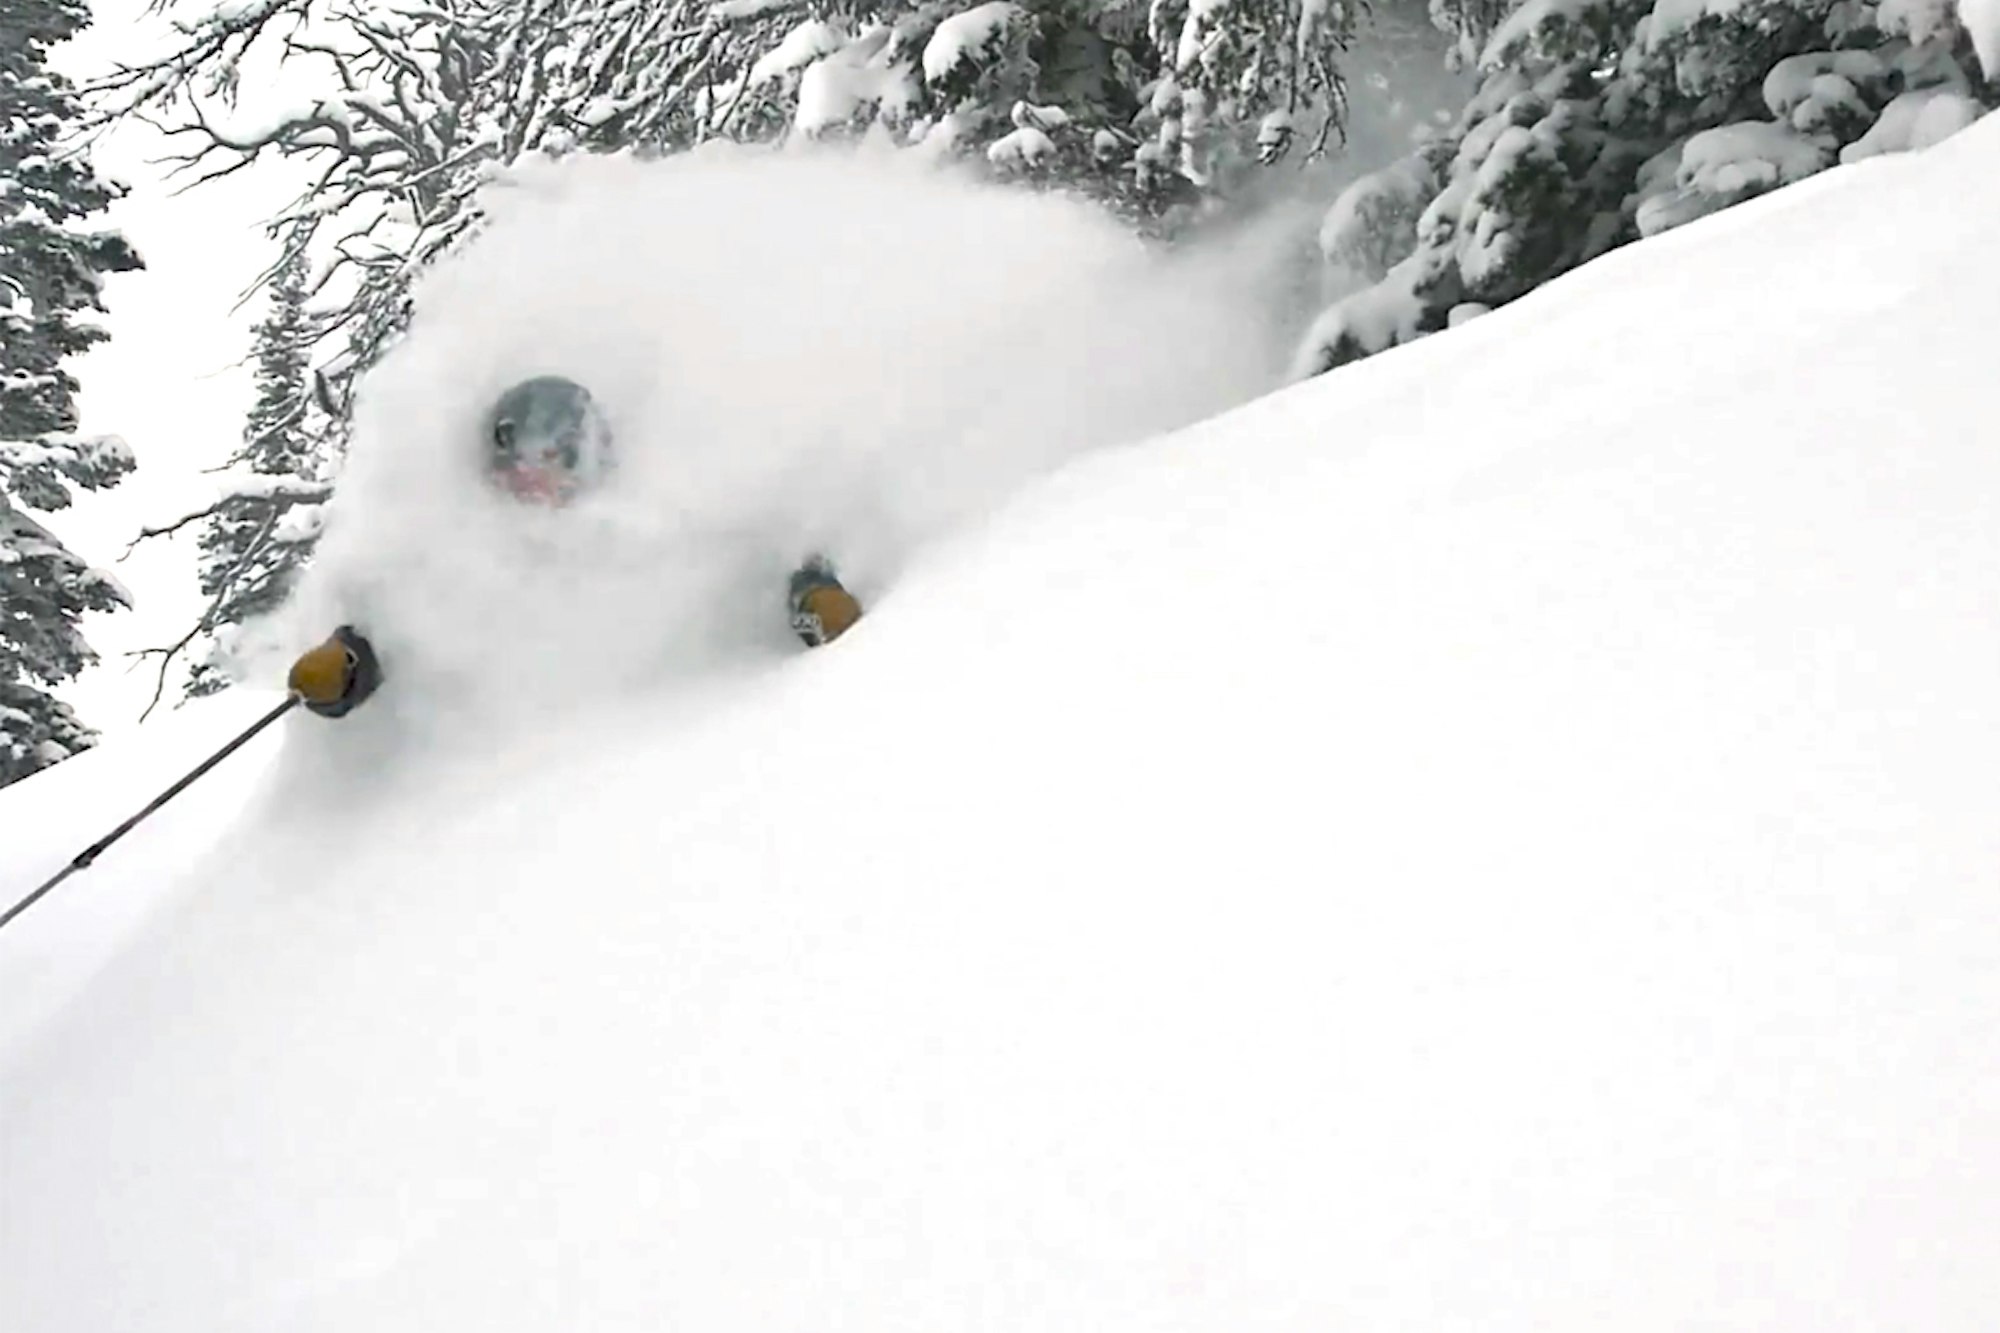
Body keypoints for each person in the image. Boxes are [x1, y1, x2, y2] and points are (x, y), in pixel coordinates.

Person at [286, 375, 863, 719]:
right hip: (511, 790)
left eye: (552, 458)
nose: (531, 478)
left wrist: (811, 594)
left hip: (691, 738)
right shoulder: (466, 555)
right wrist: (348, 665)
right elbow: (399, 633)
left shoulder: (656, 523)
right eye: (515, 460)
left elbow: (760, 554)